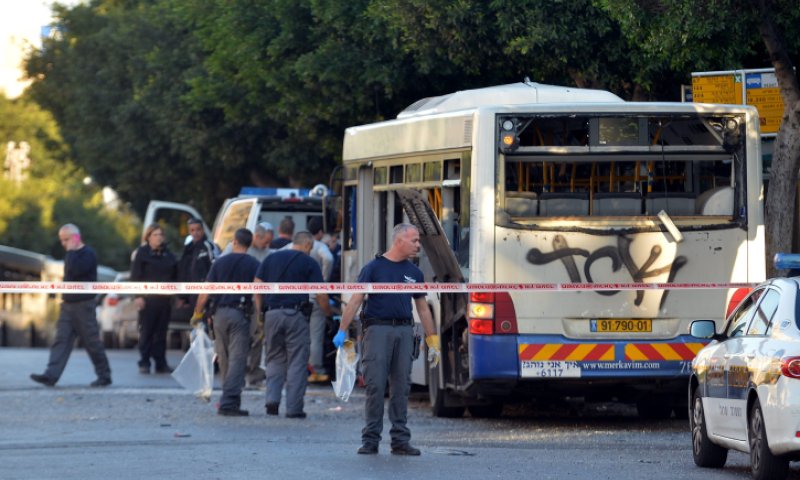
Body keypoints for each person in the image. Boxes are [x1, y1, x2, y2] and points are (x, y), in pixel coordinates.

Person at [333, 223, 441, 456]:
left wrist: (433, 341)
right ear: (399, 241)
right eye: (414, 240)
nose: (418, 245)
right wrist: (342, 331)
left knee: (401, 387)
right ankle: (370, 440)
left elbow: (423, 310)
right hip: (378, 331)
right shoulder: (373, 268)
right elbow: (355, 301)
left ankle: (400, 440)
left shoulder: (415, 272)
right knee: (375, 386)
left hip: (403, 332)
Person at [254, 231, 334, 418]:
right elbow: (321, 294)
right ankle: (294, 408)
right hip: (295, 315)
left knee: (274, 358)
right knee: (297, 361)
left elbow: (257, 285)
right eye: (311, 247)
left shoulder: (271, 258)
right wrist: (328, 314)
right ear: (307, 245)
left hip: (272, 314)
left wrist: (260, 312)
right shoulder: (309, 262)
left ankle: (272, 401)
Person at [30, 224, 112, 387]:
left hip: (83, 305)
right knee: (61, 340)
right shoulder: (71, 254)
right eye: (61, 240)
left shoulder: (87, 254)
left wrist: (72, 250)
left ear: (75, 237)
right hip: (67, 305)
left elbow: (75, 271)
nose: (63, 244)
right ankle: (50, 375)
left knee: (91, 342)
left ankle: (104, 375)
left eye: (66, 239)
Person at [193, 228, 261, 416]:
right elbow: (257, 292)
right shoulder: (254, 264)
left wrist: (197, 313)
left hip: (219, 316)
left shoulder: (219, 263)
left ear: (234, 241)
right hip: (240, 315)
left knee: (224, 358)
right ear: (250, 243)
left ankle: (228, 399)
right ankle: (229, 403)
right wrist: (260, 317)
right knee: (238, 359)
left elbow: (205, 291)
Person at [130, 223, 178, 374]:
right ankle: (144, 362)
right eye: (155, 235)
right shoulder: (142, 253)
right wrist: (138, 296)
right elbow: (135, 276)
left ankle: (160, 363)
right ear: (148, 237)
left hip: (164, 300)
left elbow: (175, 275)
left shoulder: (168, 255)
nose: (159, 238)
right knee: (146, 332)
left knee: (161, 333)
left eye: (160, 235)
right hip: (148, 300)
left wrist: (178, 295)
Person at [306, 217, 334, 383]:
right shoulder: (320, 246)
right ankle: (316, 369)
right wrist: (325, 278)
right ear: (321, 232)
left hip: (297, 297)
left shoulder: (295, 244)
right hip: (317, 297)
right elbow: (329, 259)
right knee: (315, 336)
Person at [177, 218, 218, 312]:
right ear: (189, 232)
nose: (195, 233)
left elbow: (214, 267)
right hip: (191, 294)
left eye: (198, 229)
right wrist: (183, 296)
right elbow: (184, 272)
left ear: (203, 230)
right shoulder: (188, 248)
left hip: (205, 294)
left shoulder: (208, 246)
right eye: (192, 230)